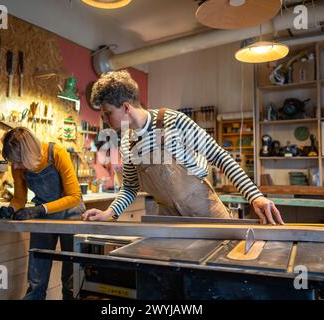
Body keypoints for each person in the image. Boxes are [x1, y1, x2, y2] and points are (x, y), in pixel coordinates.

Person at [82, 70, 284, 225]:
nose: (105, 119)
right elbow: (130, 187)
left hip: (206, 211)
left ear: (126, 107)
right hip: (170, 219)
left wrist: (254, 196)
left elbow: (219, 156)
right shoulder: (127, 142)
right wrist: (109, 212)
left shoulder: (172, 121)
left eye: (108, 113)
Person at [0, 127, 86, 300]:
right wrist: (10, 209)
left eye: (18, 161)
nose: (15, 166)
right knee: (37, 278)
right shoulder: (18, 166)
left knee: (71, 277)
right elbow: (19, 198)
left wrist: (39, 209)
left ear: (28, 154)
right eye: (12, 162)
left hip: (71, 215)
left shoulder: (56, 153)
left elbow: (75, 197)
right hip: (43, 216)